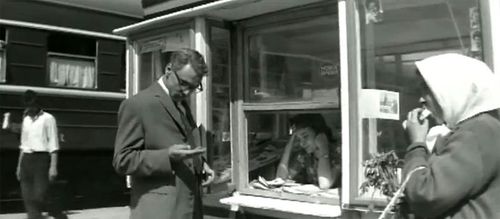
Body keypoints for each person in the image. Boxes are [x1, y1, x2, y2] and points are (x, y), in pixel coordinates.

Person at [113, 48, 215, 219]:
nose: (187, 92)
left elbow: (183, 142)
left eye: (194, 87)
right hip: (159, 212)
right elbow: (122, 160)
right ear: (169, 70)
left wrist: (200, 164)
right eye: (183, 83)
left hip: (189, 209)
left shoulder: (182, 104)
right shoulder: (138, 105)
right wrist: (167, 156)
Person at [403, 53, 500, 218]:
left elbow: (425, 195)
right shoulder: (484, 128)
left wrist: (417, 145)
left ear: (453, 89)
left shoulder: (475, 133)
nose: (421, 99)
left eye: (427, 89)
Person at [14, 90, 60, 219]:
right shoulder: (26, 120)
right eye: (27, 106)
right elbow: (23, 144)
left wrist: (53, 166)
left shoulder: (48, 119)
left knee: (39, 195)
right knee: (27, 197)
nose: (29, 108)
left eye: (31, 105)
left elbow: (54, 144)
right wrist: (19, 166)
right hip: (26, 160)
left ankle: (55, 212)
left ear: (37, 103)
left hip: (41, 159)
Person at [275, 114, 340, 189]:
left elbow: (325, 184)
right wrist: (290, 144)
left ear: (319, 134)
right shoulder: (305, 155)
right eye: (299, 139)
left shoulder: (337, 152)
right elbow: (280, 178)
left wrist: (323, 149)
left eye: (305, 136)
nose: (302, 143)